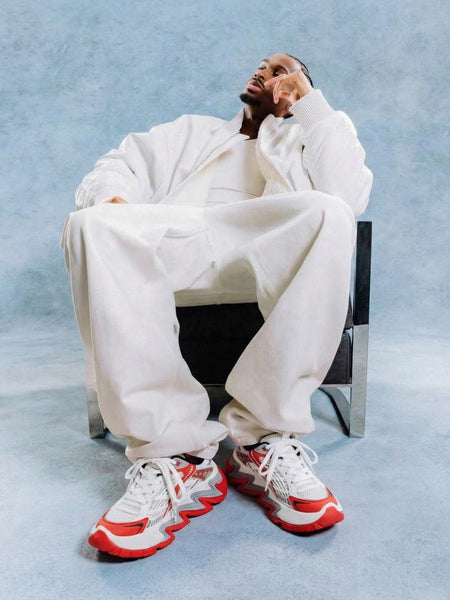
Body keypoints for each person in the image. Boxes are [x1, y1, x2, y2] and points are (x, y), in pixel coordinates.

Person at [61, 53, 373, 558]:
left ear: (300, 88)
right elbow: (115, 168)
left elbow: (347, 196)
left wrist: (311, 108)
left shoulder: (310, 137)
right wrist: (115, 201)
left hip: (264, 245)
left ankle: (263, 439)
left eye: (282, 71)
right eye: (263, 66)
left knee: (330, 211)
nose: (265, 72)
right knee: (89, 222)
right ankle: (175, 454)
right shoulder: (190, 131)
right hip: (176, 239)